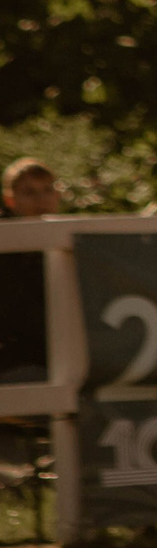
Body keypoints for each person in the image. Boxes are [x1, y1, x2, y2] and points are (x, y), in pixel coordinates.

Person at [0, 158, 59, 386]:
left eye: (47, 190)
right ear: (10, 200)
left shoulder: (72, 244)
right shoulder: (6, 253)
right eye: (29, 192)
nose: (41, 199)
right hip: (19, 363)